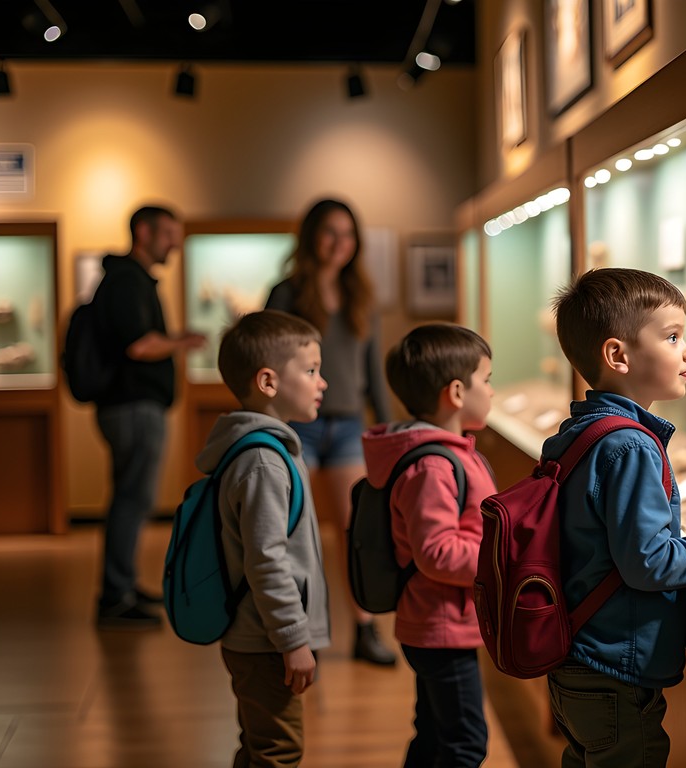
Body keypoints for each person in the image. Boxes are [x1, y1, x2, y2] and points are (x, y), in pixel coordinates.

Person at [545, 267, 686, 766]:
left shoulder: (580, 430)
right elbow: (647, 562)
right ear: (618, 355)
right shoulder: (629, 446)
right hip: (614, 670)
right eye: (672, 336)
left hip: (577, 661)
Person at [197, 309, 331, 768]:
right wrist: (293, 639)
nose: (322, 382)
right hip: (266, 640)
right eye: (311, 371)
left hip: (260, 635)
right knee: (280, 750)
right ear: (269, 382)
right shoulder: (263, 462)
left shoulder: (266, 452)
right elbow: (267, 560)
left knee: (258, 744)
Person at [265, 198, 395, 665]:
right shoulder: (286, 294)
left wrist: (387, 428)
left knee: (352, 530)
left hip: (347, 426)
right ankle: (298, 634)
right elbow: (268, 361)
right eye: (329, 232)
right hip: (297, 424)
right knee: (293, 532)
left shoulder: (363, 297)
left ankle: (364, 630)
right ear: (310, 237)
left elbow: (371, 370)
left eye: (347, 234)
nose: (339, 243)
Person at [362, 323, 496, 767]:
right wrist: (501, 559)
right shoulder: (434, 465)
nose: (492, 391)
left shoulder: (449, 453)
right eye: (487, 380)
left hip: (441, 621)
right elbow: (436, 551)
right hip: (440, 624)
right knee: (465, 743)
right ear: (456, 392)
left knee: (436, 733)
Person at [92, 205, 206, 629]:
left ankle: (122, 584)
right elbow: (138, 345)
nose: (174, 243)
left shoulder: (129, 279)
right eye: (169, 234)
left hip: (135, 408)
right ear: (144, 232)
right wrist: (181, 341)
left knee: (131, 498)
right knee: (131, 499)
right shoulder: (126, 281)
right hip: (133, 408)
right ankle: (116, 595)